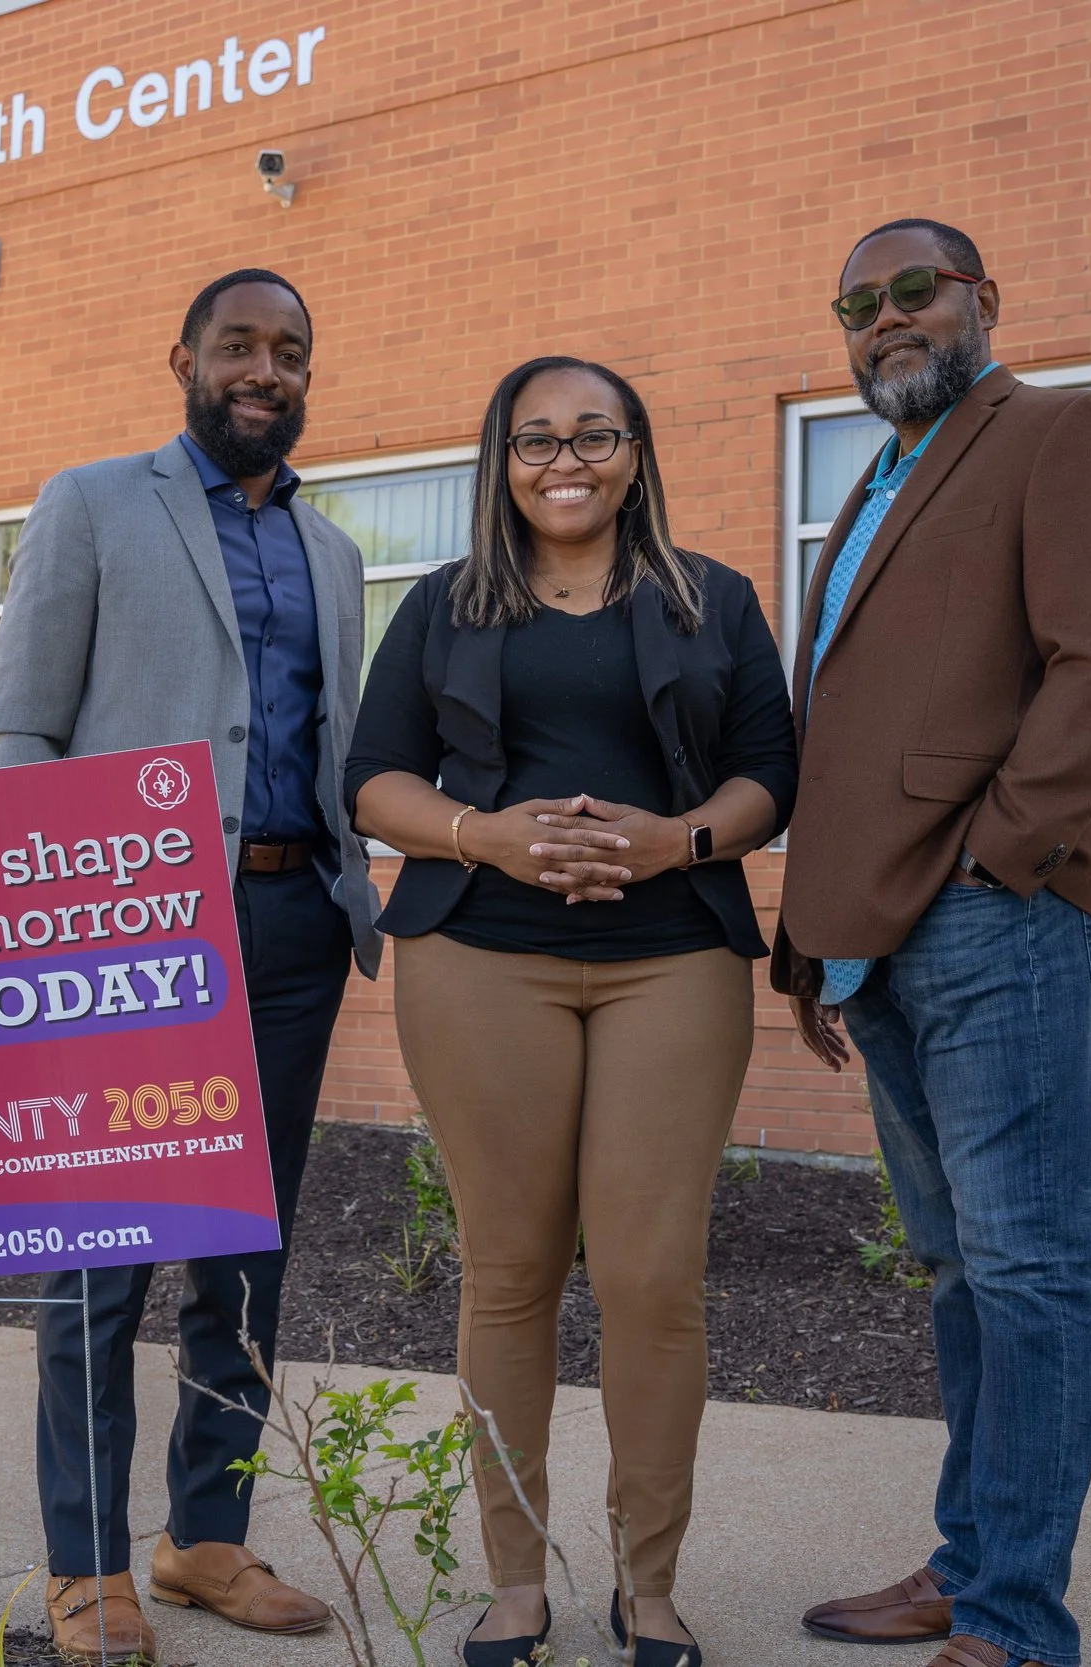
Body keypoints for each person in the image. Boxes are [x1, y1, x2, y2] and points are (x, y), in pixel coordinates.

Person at [348, 356, 797, 1667]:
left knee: (656, 1277)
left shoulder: (713, 598)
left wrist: (681, 840)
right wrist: (485, 833)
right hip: (482, 955)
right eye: (537, 437)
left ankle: (648, 1587)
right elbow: (372, 777)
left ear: (636, 450)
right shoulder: (442, 605)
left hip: (674, 957)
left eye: (595, 433)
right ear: (501, 458)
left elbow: (770, 772)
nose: (567, 457)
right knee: (510, 1268)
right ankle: (512, 1580)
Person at [776, 219, 1091, 1667]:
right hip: (883, 939)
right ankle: (972, 1560)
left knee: (1031, 1269)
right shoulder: (876, 479)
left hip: (1005, 919)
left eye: (912, 289)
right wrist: (818, 937)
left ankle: (1012, 1622)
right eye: (856, 303)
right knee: (958, 1271)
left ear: (983, 300)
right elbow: (854, 732)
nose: (885, 317)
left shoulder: (1061, 431)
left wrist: (998, 862)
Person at [0, 267, 380, 1664]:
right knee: (102, 1256)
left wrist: (360, 885)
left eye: (292, 348)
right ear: (184, 357)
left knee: (243, 1251)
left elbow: (334, 750)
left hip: (290, 929)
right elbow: (19, 727)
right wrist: (59, 913)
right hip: (127, 931)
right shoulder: (91, 502)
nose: (267, 366)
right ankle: (87, 1562)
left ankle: (205, 1533)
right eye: (241, 344)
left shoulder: (332, 553)